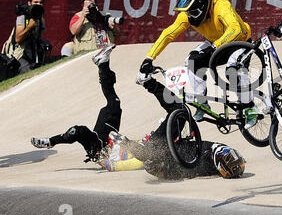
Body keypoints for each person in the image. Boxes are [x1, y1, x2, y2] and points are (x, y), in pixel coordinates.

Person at [137, 0, 258, 129]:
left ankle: (250, 107)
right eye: (187, 12)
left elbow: (236, 29)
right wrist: (149, 57)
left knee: (233, 69)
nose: (189, 16)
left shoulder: (221, 6)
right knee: (191, 61)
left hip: (239, 42)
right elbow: (169, 34)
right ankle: (202, 103)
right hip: (215, 43)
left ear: (203, 5)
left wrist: (214, 46)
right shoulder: (188, 14)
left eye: (192, 12)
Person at [102, 74, 246, 180]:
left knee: (152, 155)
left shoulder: (210, 161)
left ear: (222, 163)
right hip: (170, 153)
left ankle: (148, 83)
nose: (230, 154)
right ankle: (148, 83)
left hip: (168, 165)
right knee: (179, 111)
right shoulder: (215, 154)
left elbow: (185, 171)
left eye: (229, 157)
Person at [30, 44, 131, 165]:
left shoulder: (96, 146)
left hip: (99, 142)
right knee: (113, 101)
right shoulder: (102, 147)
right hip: (104, 135)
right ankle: (103, 65)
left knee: (78, 130)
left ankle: (50, 141)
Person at [0, 0, 50, 77]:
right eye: (36, 2)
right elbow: (18, 39)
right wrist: (30, 26)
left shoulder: (41, 18)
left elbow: (37, 37)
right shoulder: (23, 17)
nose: (38, 4)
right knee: (30, 75)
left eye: (41, 2)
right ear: (29, 3)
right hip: (17, 54)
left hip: (32, 53)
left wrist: (42, 43)